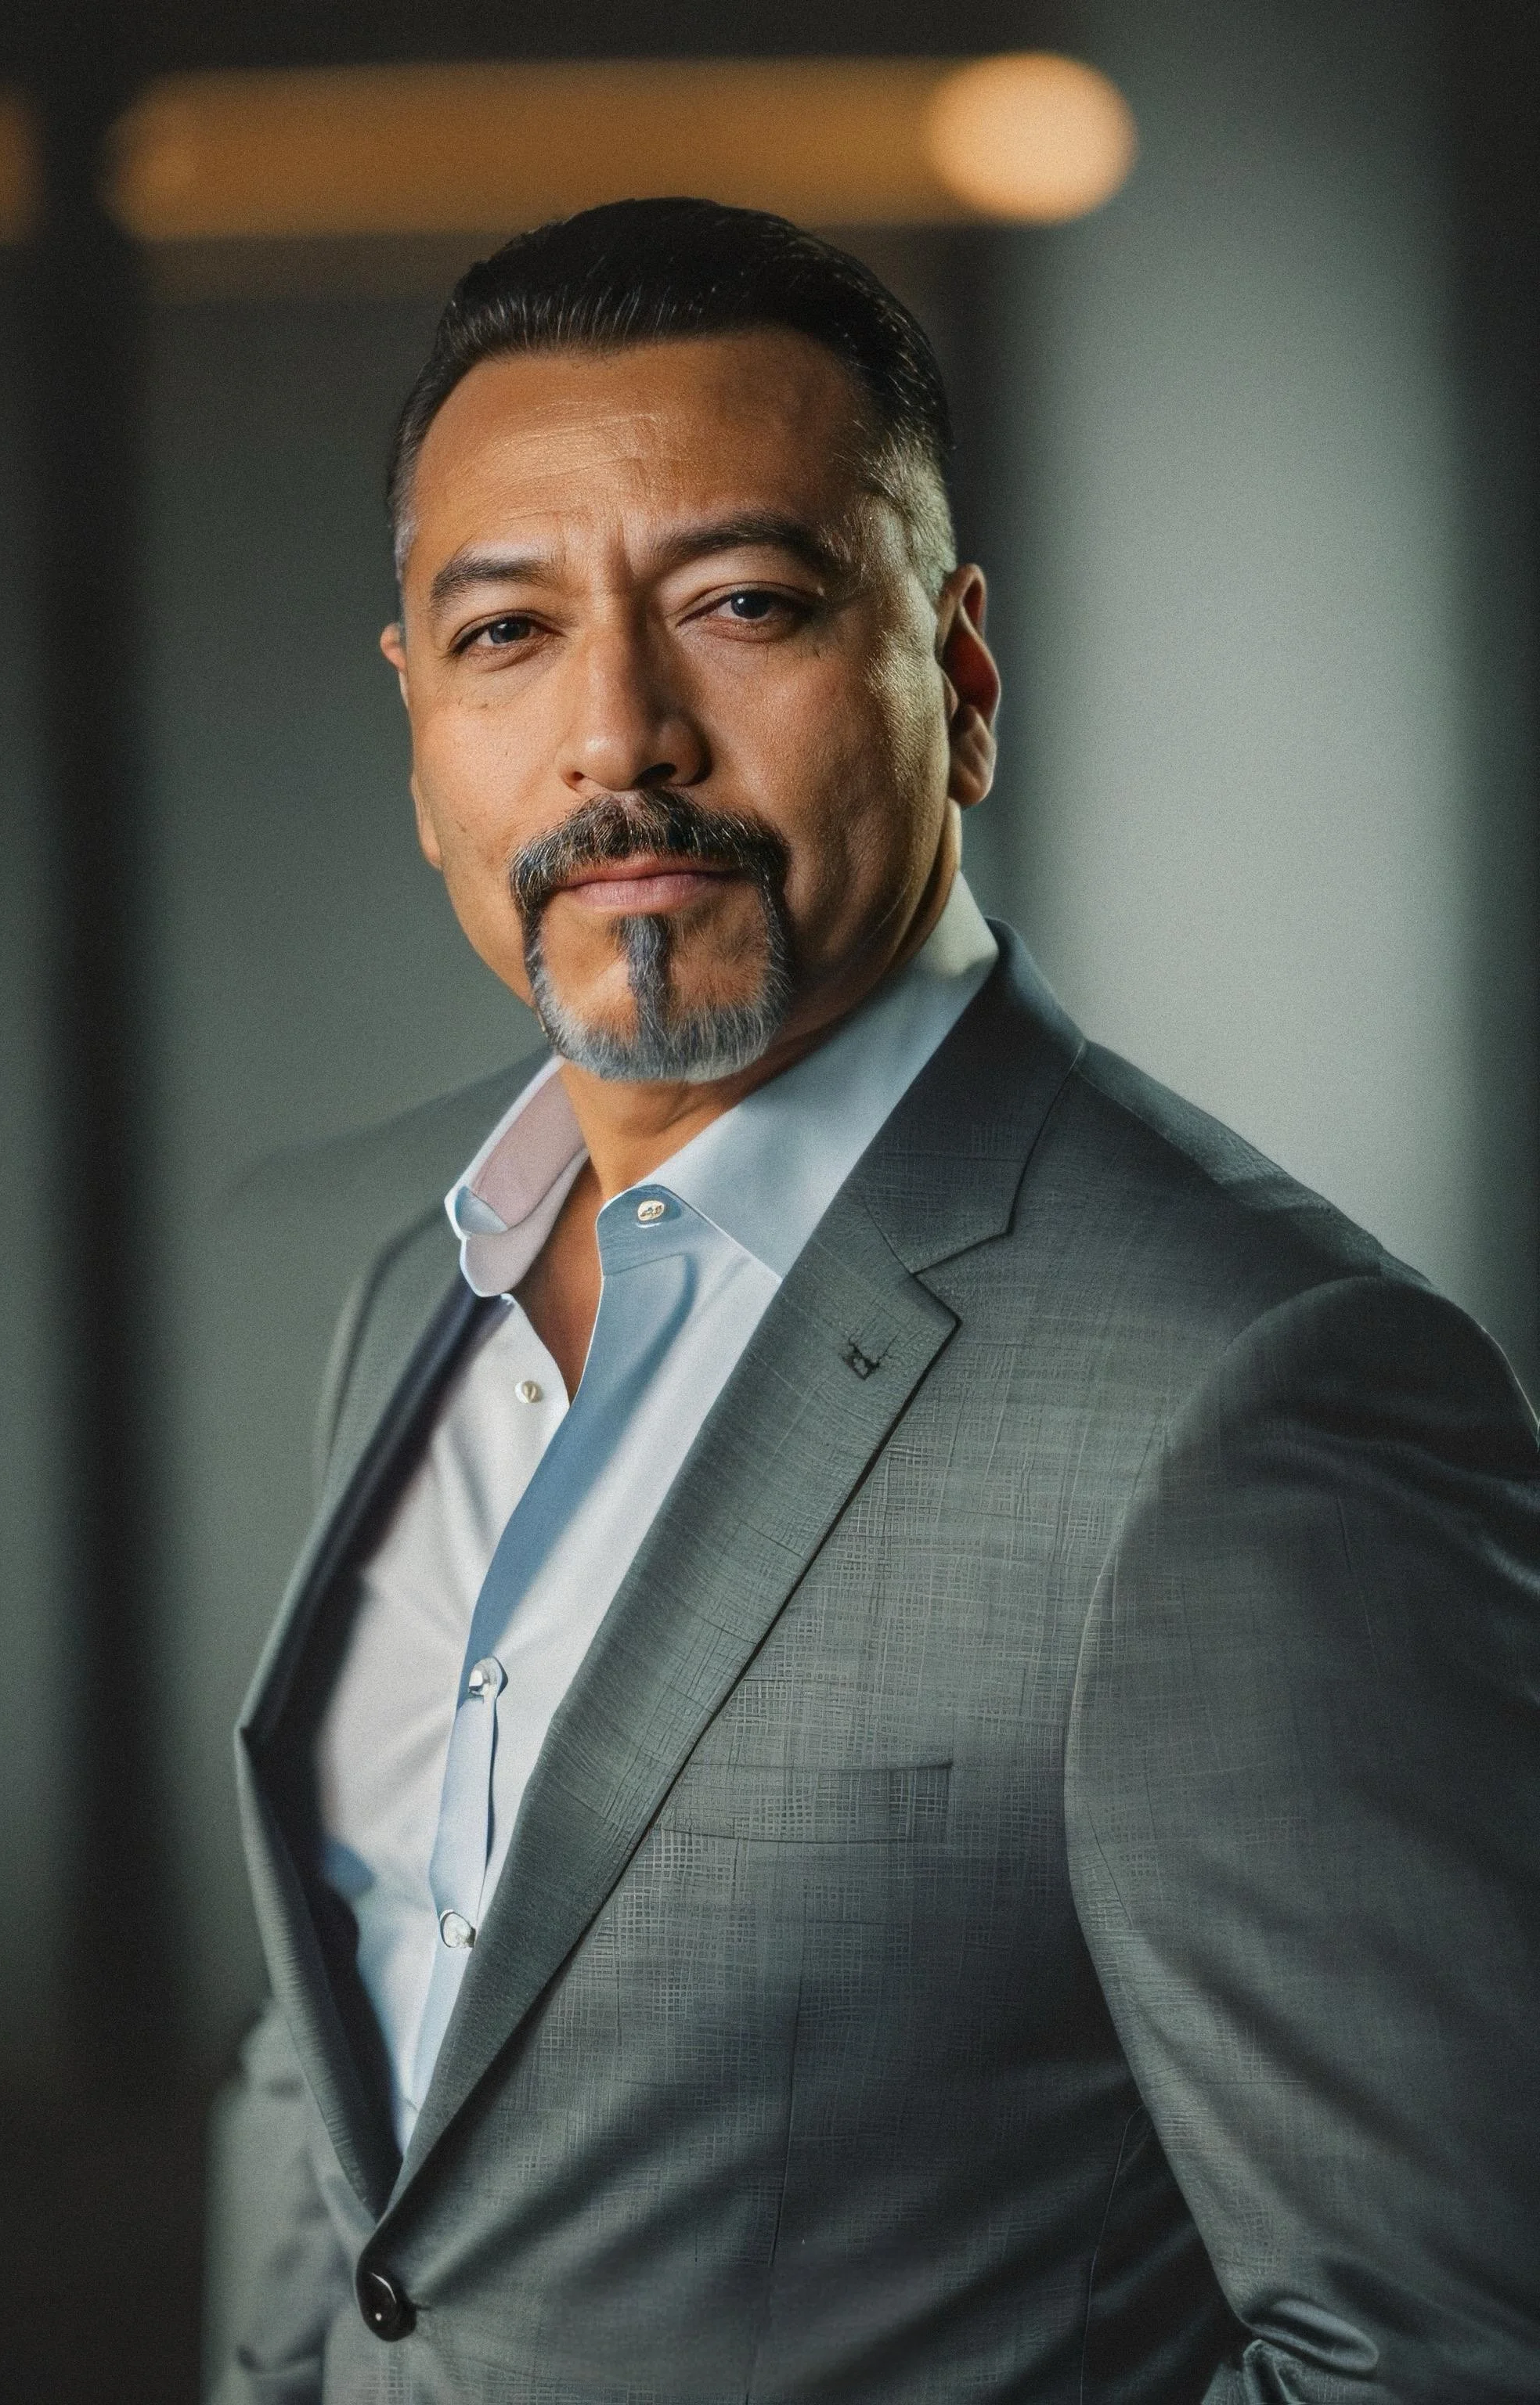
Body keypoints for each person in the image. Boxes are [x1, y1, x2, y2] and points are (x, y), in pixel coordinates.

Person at [210, 198, 1540, 2405]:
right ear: (418, 718)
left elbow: (1449, 2346)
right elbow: (354, 2107)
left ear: (964, 678)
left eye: (744, 604)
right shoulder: (413, 1303)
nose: (619, 736)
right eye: (509, 632)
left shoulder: (1255, 1402)